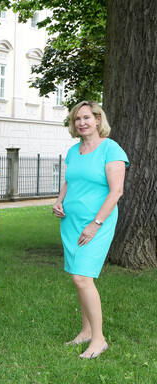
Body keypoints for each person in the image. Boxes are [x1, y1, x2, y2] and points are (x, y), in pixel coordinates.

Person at [52, 100, 128, 359]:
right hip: (71, 222)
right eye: (77, 119)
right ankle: (86, 331)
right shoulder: (74, 151)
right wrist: (59, 200)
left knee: (82, 278)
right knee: (79, 277)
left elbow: (116, 191)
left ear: (98, 120)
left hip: (97, 222)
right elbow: (70, 180)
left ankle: (99, 339)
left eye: (86, 117)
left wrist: (95, 224)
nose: (82, 122)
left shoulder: (111, 149)